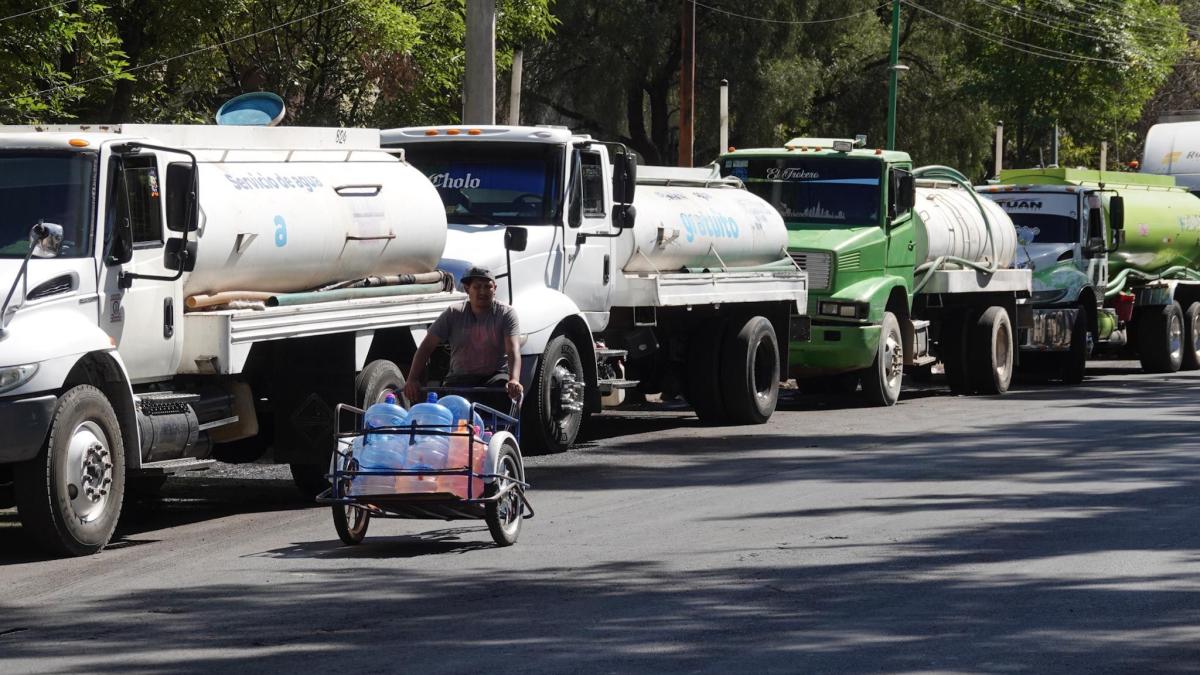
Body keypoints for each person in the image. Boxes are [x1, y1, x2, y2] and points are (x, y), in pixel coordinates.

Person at [404, 266, 523, 403]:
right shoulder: (454, 313)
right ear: (467, 290)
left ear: (494, 289)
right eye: (477, 287)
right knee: (450, 406)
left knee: (503, 393)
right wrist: (412, 379)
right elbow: (426, 347)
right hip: (460, 378)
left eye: (487, 287)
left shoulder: (506, 314)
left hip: (494, 377)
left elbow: (513, 349)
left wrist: (514, 379)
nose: (482, 291)